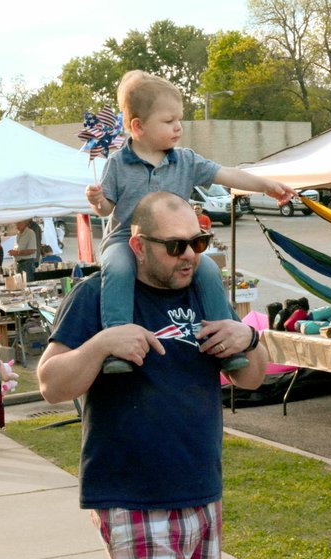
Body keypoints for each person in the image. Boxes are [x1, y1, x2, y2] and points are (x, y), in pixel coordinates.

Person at [37, 191, 268, 559]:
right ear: (139, 246)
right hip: (133, 500)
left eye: (197, 242)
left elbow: (250, 377)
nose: (190, 256)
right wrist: (103, 344)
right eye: (175, 246)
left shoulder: (203, 294)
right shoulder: (97, 296)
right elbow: (50, 384)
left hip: (202, 494)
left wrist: (250, 338)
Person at [85, 69, 296, 374]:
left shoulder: (186, 160)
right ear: (138, 126)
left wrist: (265, 185)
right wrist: (97, 201)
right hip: (126, 241)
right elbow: (106, 209)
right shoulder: (117, 163)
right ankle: (117, 344)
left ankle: (223, 342)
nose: (178, 127)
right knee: (116, 268)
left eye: (179, 120)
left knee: (209, 269)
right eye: (169, 121)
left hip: (179, 242)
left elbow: (227, 173)